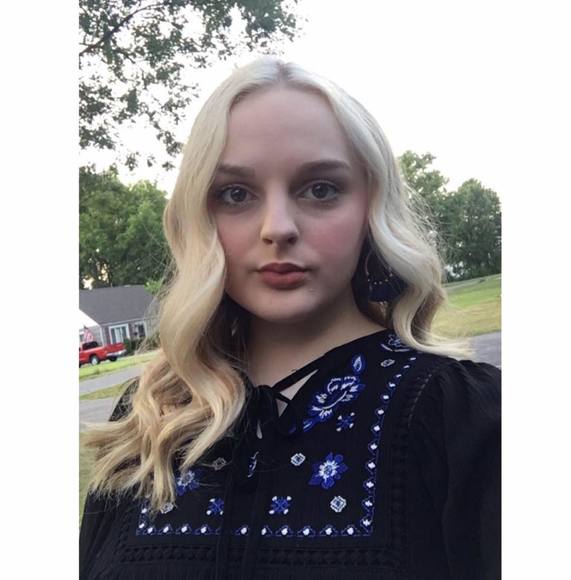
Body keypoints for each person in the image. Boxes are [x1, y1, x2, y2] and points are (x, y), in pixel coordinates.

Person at [79, 57, 501, 580]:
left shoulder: (462, 418)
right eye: (235, 194)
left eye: (320, 188)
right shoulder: (149, 417)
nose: (277, 228)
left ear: (370, 209)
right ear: (200, 217)